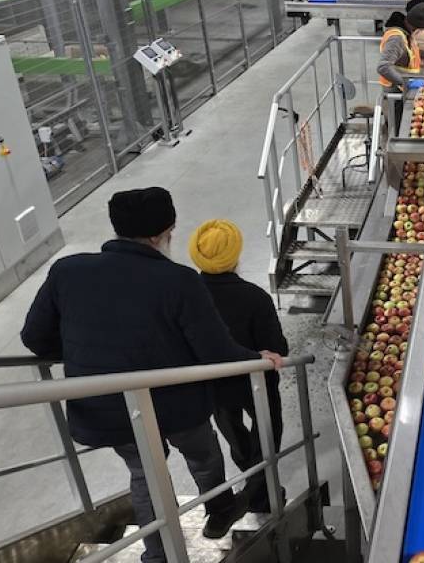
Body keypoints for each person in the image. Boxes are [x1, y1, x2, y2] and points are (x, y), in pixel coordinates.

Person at [21, 187, 283, 563]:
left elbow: (35, 338)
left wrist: (92, 352)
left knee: (144, 472)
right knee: (203, 452)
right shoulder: (178, 280)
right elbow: (216, 351)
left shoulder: (68, 270)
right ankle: (220, 508)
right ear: (167, 230)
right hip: (174, 405)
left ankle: (157, 556)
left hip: (103, 406)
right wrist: (257, 357)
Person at [189, 219, 289, 514]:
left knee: (232, 431)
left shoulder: (190, 297)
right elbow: (279, 349)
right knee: (267, 432)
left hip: (214, 384)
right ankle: (261, 490)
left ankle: (254, 483)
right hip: (256, 381)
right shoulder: (254, 297)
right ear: (235, 255)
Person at [377, 2, 424, 136]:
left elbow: (407, 54)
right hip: (394, 92)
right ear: (415, 27)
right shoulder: (396, 38)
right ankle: (388, 152)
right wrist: (405, 82)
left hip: (402, 87)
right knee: (395, 130)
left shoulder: (406, 32)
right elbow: (383, 67)